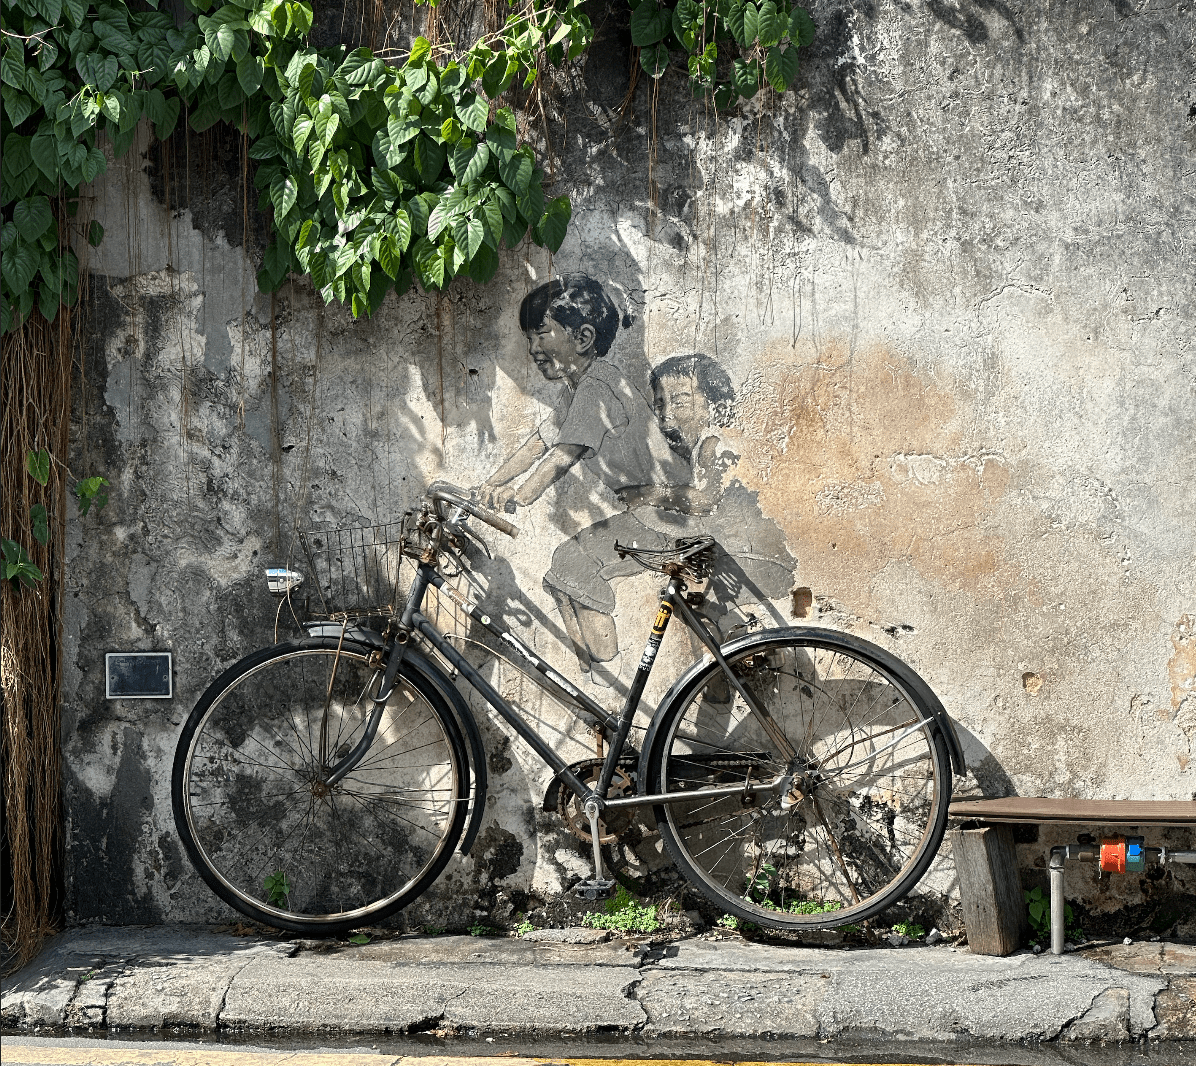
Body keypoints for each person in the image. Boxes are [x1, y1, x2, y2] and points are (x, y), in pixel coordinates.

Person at [479, 275, 690, 681]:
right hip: (652, 511)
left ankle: (613, 678)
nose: (533, 348)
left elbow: (563, 455)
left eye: (542, 333)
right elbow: (537, 444)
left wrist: (518, 495)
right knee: (564, 573)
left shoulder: (597, 387)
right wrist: (489, 484)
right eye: (529, 337)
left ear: (583, 338)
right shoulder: (578, 389)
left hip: (668, 512)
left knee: (572, 563)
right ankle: (594, 675)